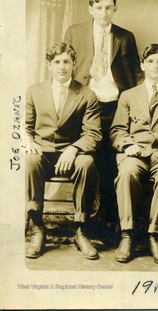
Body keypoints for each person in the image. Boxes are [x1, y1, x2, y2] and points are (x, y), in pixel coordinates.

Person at [64, 0, 144, 228]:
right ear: (91, 9)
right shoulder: (74, 32)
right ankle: (85, 220)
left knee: (109, 161)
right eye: (98, 8)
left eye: (109, 7)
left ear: (115, 9)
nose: (104, 13)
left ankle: (109, 220)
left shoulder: (125, 36)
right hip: (84, 105)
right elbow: (67, 66)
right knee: (88, 159)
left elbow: (135, 74)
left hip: (113, 105)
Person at [110, 44, 158, 265]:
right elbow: (117, 130)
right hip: (135, 154)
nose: (155, 65)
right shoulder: (128, 96)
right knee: (126, 173)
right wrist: (126, 146)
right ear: (143, 65)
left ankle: (156, 236)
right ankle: (128, 234)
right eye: (151, 61)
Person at [25, 42, 102, 260]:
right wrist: (28, 139)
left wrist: (74, 149)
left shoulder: (87, 94)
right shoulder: (34, 91)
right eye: (57, 62)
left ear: (74, 64)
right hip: (44, 153)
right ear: (49, 65)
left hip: (73, 155)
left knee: (87, 163)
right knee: (29, 161)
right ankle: (38, 228)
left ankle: (81, 230)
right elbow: (23, 126)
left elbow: (93, 133)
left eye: (66, 61)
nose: (62, 67)